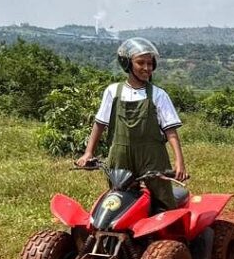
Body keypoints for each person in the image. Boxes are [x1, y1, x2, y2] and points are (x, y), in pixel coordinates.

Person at [76, 37, 187, 211]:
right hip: (120, 153)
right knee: (119, 200)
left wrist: (179, 162)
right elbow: (99, 124)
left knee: (163, 200)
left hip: (152, 155)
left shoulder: (159, 95)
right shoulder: (112, 91)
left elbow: (170, 131)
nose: (146, 68)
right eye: (140, 63)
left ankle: (174, 237)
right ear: (128, 64)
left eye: (150, 64)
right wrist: (88, 153)